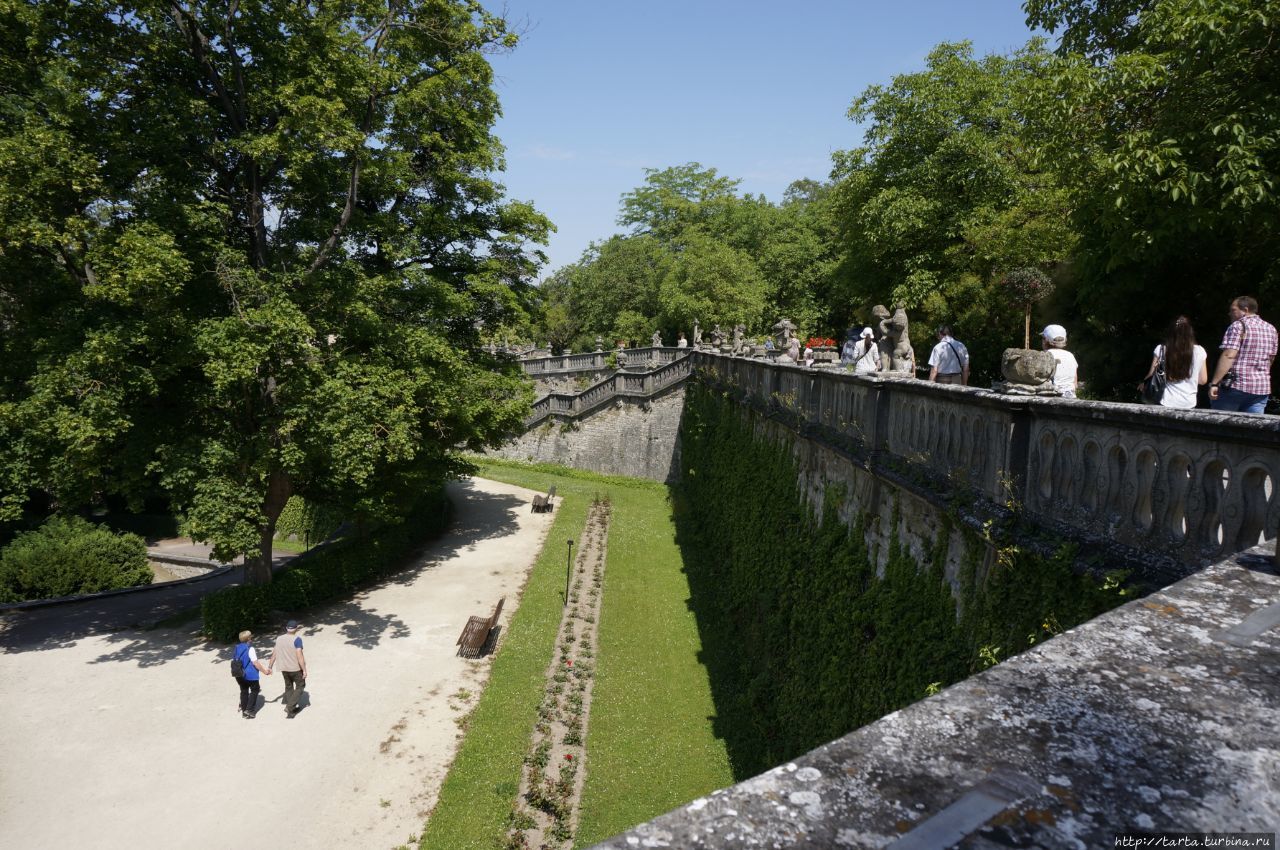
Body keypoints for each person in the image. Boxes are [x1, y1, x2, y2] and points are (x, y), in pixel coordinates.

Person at [1209, 296, 1277, 414]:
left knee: (1222, 427)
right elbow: (1270, 358)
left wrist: (1215, 383)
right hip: (1261, 388)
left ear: (1245, 310)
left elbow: (1229, 355)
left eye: (1233, 310)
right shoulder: (1271, 328)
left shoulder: (1238, 326)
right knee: (1252, 429)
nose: (1229, 313)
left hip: (1236, 386)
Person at [1139, 316, 1207, 409]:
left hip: (1166, 401)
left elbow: (1151, 374)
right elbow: (1203, 380)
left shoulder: (1161, 349)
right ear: (1190, 332)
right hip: (1189, 403)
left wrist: (1144, 382)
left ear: (1170, 332)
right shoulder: (1199, 351)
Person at [268, 619, 308, 719]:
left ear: (286, 628)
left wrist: (270, 666)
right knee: (300, 686)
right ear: (296, 629)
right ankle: (290, 707)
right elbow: (299, 656)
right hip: (295, 668)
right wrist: (304, 669)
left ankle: (291, 708)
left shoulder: (279, 639)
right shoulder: (297, 639)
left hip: (283, 668)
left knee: (289, 686)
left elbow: (274, 653)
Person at [233, 629, 272, 719]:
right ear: (248, 639)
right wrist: (265, 671)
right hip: (249, 674)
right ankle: (249, 710)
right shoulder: (250, 649)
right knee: (255, 689)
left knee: (244, 691)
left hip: (238, 673)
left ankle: (244, 711)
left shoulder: (236, 647)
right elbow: (255, 663)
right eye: (251, 637)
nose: (252, 638)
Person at [1041, 324, 1079, 399]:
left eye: (1042, 338)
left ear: (1045, 340)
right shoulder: (1070, 356)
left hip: (1051, 399)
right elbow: (1075, 383)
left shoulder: (1044, 355)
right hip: (1071, 398)